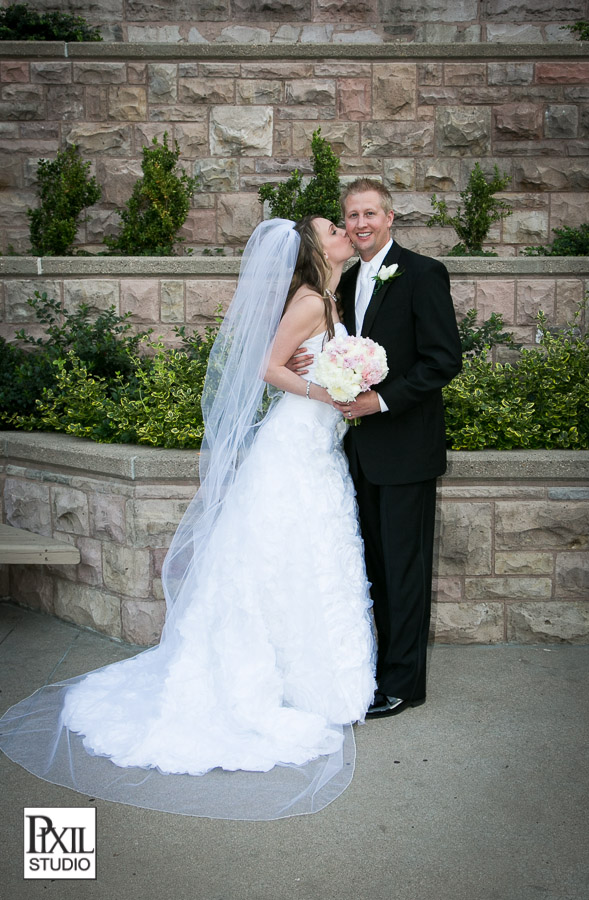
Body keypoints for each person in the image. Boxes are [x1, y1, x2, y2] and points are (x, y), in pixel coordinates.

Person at [0, 217, 376, 821]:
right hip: (295, 445)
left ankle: (320, 681)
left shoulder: (331, 297)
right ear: (316, 248)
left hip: (318, 448)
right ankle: (282, 683)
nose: (343, 232)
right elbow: (270, 369)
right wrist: (326, 393)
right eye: (334, 227)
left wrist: (347, 383)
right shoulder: (309, 302)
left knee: (314, 555)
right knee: (281, 557)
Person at [291, 179, 462, 718]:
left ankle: (404, 685)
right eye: (351, 215)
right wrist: (307, 363)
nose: (360, 223)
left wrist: (381, 403)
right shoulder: (342, 281)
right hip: (356, 453)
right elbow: (336, 348)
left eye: (369, 213)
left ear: (390, 217)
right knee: (375, 568)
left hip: (405, 448)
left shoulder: (422, 273)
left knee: (405, 569)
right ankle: (376, 668)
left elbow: (442, 361)